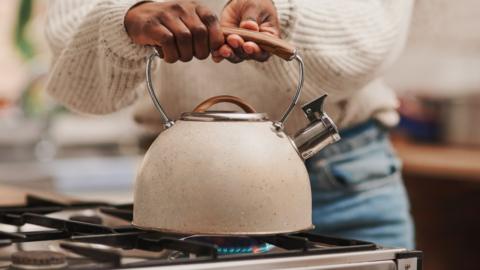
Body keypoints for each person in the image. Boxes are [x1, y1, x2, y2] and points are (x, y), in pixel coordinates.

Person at [45, 0, 415, 248]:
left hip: (342, 190)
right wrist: (124, 19)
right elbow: (71, 59)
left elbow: (372, 39)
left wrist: (281, 15)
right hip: (182, 193)